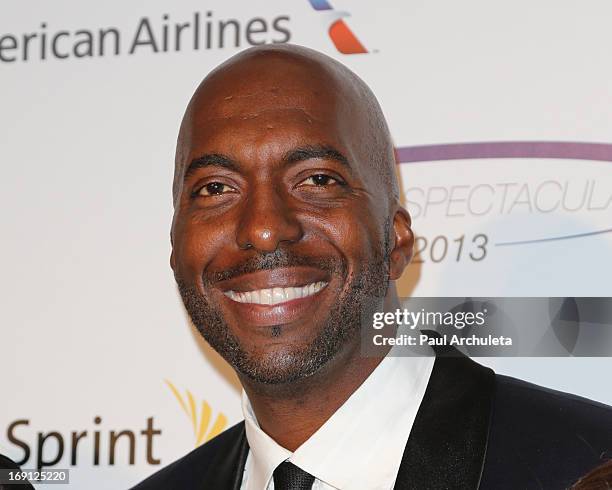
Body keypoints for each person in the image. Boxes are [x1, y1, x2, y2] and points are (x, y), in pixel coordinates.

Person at [132, 44, 612, 490]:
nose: (262, 228)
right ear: (175, 246)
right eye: (215, 188)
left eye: (317, 179)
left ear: (398, 239)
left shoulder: (585, 463)